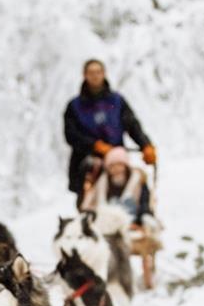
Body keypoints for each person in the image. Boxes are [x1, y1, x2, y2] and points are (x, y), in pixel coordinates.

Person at [64, 59, 156, 209]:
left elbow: (132, 125)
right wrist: (94, 146)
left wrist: (146, 145)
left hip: (117, 160)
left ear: (104, 74)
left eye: (98, 72)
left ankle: (142, 214)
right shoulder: (74, 106)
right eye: (91, 73)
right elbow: (71, 135)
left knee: (137, 187)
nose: (95, 76)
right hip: (88, 165)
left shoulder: (116, 101)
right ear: (85, 75)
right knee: (88, 203)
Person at [85, 146, 156, 228]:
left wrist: (143, 217)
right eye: (112, 166)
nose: (116, 169)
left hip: (133, 222)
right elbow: (90, 203)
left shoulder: (138, 180)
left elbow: (145, 202)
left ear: (125, 165)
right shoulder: (102, 183)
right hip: (104, 222)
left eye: (119, 165)